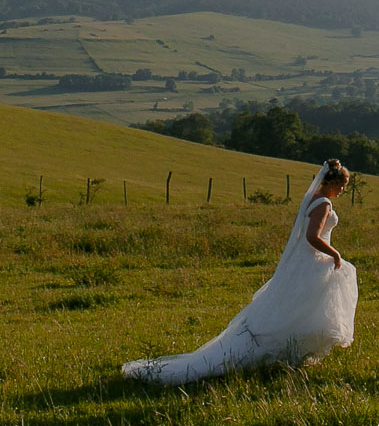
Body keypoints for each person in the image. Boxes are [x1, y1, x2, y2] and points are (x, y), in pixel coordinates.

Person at [122, 159, 358, 384]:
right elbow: (312, 237)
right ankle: (286, 349)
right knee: (309, 304)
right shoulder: (324, 204)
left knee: (295, 305)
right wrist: (335, 254)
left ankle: (295, 351)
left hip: (303, 261)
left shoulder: (311, 198)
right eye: (342, 186)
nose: (343, 191)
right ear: (331, 182)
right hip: (313, 260)